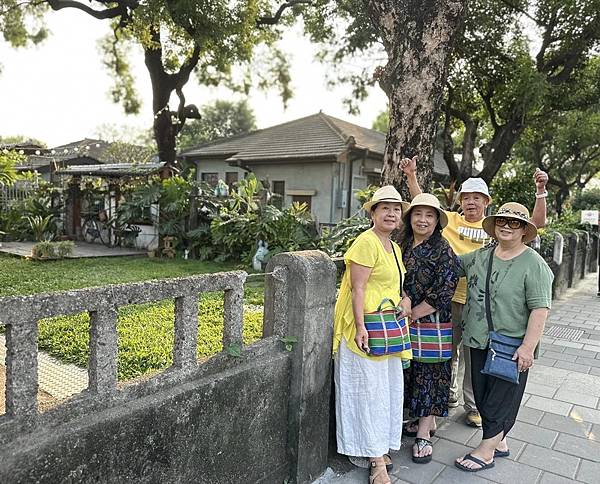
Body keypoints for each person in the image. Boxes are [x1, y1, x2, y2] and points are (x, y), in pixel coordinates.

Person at [399, 156, 548, 427]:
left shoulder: (498, 227)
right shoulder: (452, 221)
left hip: (480, 303)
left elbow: (534, 225)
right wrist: (411, 176)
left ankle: (473, 406)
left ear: (486, 202)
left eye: (477, 197)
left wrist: (540, 192)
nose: (471, 201)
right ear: (459, 200)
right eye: (466, 196)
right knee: (446, 352)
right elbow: (424, 206)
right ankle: (446, 399)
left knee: (474, 355)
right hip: (447, 298)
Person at [454, 202, 553, 472]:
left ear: (524, 230)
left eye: (515, 223)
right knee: (483, 396)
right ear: (494, 226)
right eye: (502, 222)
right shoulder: (480, 256)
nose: (507, 227)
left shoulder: (534, 264)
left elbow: (540, 309)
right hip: (478, 339)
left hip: (511, 345)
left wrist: (528, 348)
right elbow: (449, 266)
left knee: (502, 397)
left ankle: (485, 450)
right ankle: (500, 442)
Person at [333, 185, 412, 484]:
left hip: (388, 328)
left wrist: (405, 300)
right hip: (366, 329)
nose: (391, 213)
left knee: (386, 392)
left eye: (396, 209)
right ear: (373, 214)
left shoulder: (394, 247)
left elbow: (395, 284)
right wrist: (361, 327)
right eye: (385, 208)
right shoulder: (366, 242)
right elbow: (359, 288)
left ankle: (379, 446)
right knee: (366, 393)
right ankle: (376, 460)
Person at [399, 193, 459, 464]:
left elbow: (445, 290)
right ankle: (420, 419)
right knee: (409, 370)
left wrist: (414, 314)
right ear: (410, 217)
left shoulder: (443, 249)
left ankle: (424, 432)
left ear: (437, 221)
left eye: (429, 215)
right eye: (417, 214)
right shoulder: (400, 243)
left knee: (430, 373)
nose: (422, 220)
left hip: (430, 320)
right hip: (403, 317)